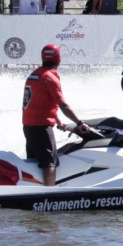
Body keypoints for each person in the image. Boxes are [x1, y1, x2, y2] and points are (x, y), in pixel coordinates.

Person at [22, 44, 89, 186]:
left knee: (34, 161)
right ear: (58, 59)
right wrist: (79, 123)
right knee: (49, 163)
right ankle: (49, 196)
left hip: (29, 126)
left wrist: (58, 121)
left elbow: (43, 103)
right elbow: (63, 105)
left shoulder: (35, 74)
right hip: (41, 128)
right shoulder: (50, 78)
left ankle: (35, 193)